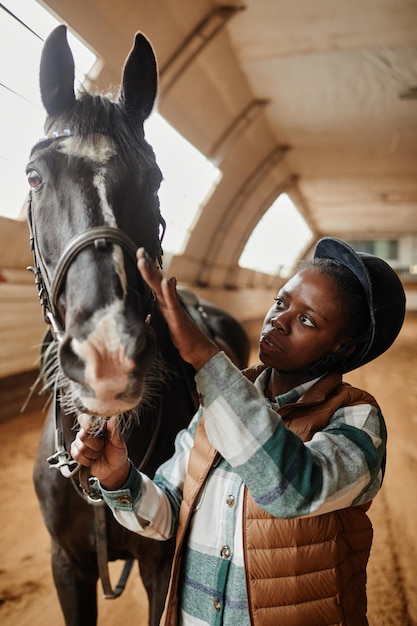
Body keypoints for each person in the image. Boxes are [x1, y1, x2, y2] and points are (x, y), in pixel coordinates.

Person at [71, 237, 406, 626]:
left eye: (306, 319)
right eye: (282, 302)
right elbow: (166, 517)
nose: (278, 320)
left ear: (344, 348)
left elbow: (294, 490)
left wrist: (205, 357)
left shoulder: (356, 420)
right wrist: (120, 480)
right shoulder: (216, 409)